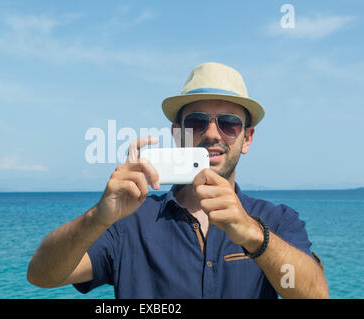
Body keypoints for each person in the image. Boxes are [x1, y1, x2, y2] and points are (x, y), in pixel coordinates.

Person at [27, 62, 329, 298]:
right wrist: (97, 217)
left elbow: (317, 295)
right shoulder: (128, 222)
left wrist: (252, 234)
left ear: (247, 138)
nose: (212, 134)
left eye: (229, 123)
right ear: (177, 133)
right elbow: (42, 275)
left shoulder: (276, 221)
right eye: (197, 121)